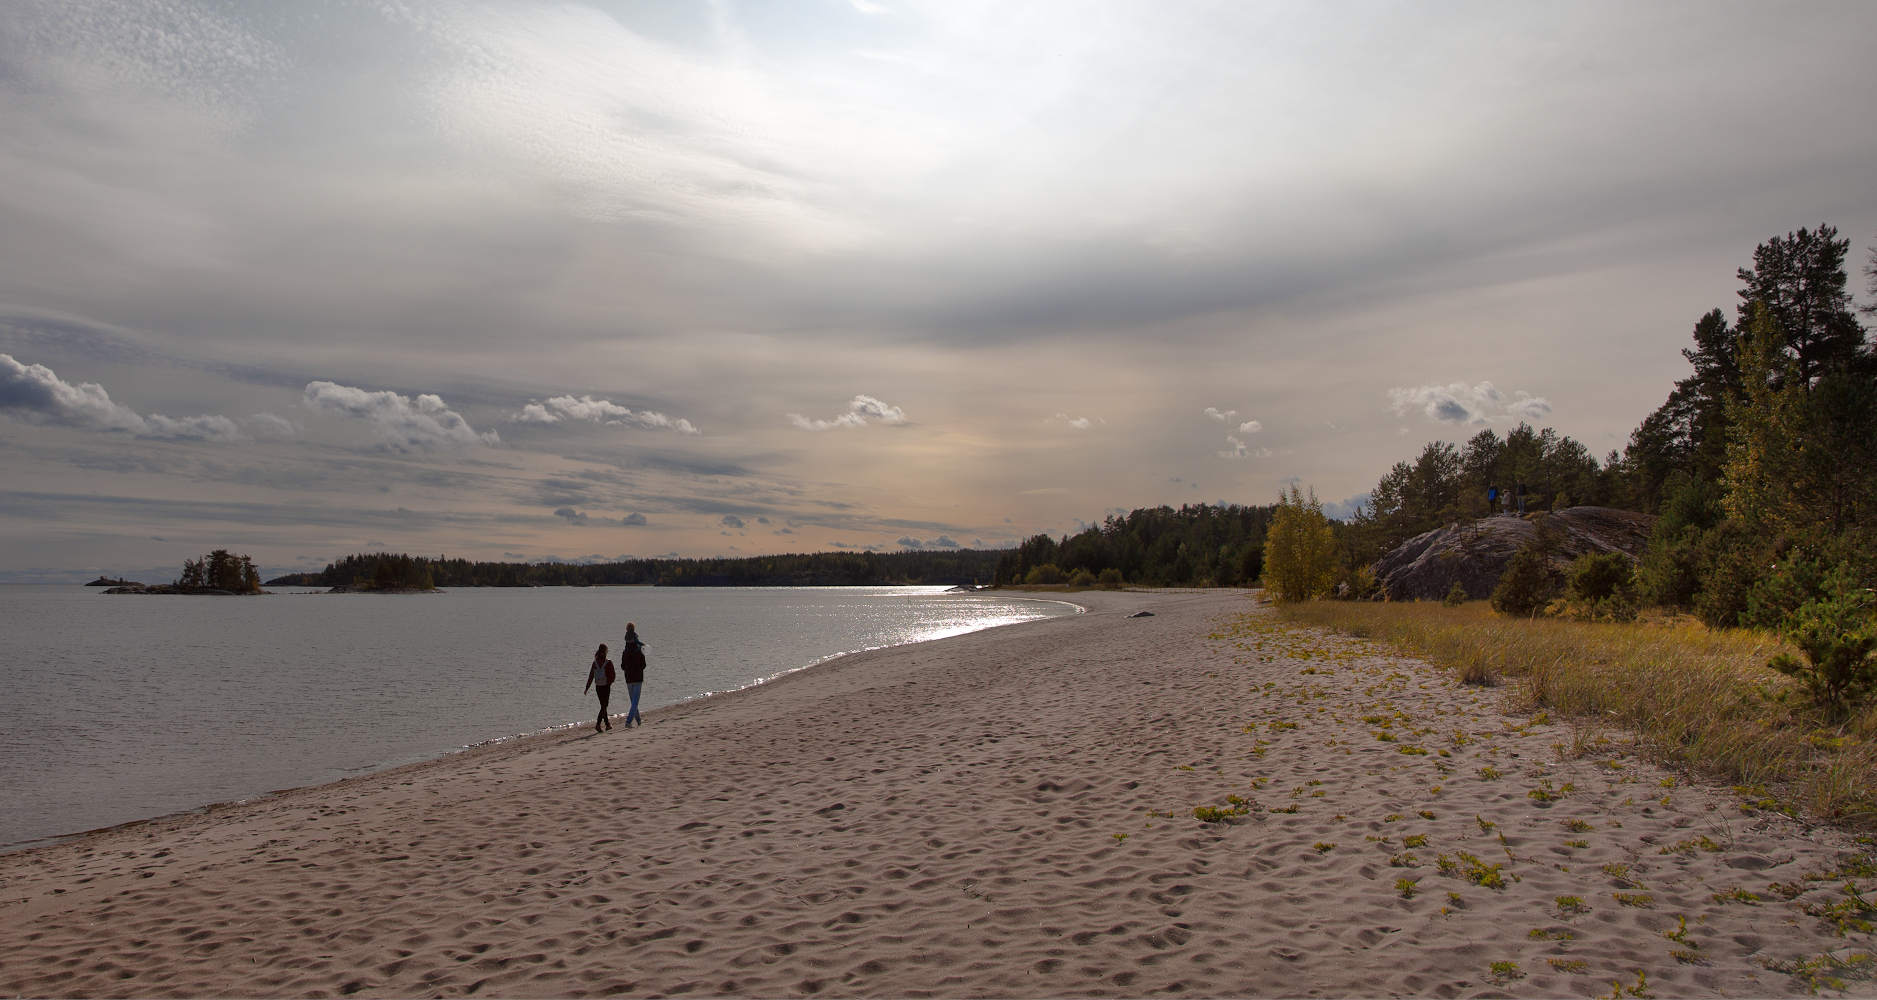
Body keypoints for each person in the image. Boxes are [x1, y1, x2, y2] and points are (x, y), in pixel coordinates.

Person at [620, 623, 648, 727]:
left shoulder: (625, 652)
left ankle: (639, 720)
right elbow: (643, 665)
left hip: (629, 678)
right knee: (635, 701)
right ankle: (628, 721)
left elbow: (622, 666)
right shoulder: (640, 651)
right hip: (637, 677)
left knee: (633, 701)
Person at [584, 643, 615, 733]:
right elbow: (612, 675)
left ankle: (607, 724)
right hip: (606, 686)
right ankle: (598, 724)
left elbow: (591, 676)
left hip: (598, 686)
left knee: (603, 705)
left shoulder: (595, 663)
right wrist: (609, 682)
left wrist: (587, 688)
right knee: (604, 706)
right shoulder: (608, 663)